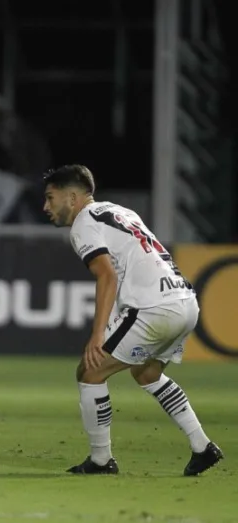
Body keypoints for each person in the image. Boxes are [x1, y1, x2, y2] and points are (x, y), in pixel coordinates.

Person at [42, 164, 223, 476]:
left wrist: (97, 335)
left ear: (72, 197)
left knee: (90, 371)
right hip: (184, 301)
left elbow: (106, 275)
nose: (46, 207)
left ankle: (100, 460)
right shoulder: (119, 212)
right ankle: (202, 446)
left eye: (50, 198)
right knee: (146, 372)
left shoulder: (84, 223)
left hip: (154, 308)